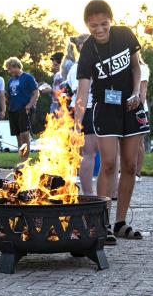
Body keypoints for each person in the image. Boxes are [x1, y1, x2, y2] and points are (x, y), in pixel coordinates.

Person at [74, 0, 149, 244]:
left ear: (111, 21)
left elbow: (137, 67)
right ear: (87, 25)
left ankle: (120, 222)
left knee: (129, 164)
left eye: (103, 24)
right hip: (105, 109)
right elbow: (83, 92)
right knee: (107, 163)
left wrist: (137, 93)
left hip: (130, 105)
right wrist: (77, 120)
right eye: (93, 25)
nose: (99, 29)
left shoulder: (125, 35)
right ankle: (101, 223)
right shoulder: (87, 51)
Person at [66, 35, 97, 195]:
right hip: (85, 110)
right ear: (79, 47)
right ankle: (88, 194)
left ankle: (109, 192)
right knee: (88, 153)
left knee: (93, 152)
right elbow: (79, 93)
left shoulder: (96, 63)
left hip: (97, 108)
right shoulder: (76, 67)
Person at [4, 57, 39, 162]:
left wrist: (29, 105)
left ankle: (25, 160)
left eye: (10, 69)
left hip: (24, 109)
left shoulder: (27, 77)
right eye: (8, 69)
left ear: (16, 66)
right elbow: (9, 96)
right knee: (18, 136)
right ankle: (22, 158)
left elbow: (36, 93)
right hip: (13, 109)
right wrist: (3, 96)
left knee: (25, 134)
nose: (9, 71)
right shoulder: (10, 80)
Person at [135, 53, 150, 181]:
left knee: (140, 142)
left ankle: (137, 173)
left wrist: (138, 108)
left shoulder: (143, 68)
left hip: (140, 109)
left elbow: (143, 89)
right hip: (124, 109)